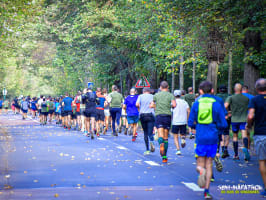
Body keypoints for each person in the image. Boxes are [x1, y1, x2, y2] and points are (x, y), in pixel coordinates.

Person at [188, 81, 227, 199]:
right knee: (209, 164)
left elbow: (190, 122)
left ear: (200, 91)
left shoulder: (196, 103)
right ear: (211, 90)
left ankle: (201, 170)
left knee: (200, 163)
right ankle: (207, 191)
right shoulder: (217, 103)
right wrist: (217, 128)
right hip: (213, 137)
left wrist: (196, 126)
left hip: (200, 137)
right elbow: (224, 124)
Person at [246, 78, 266, 198]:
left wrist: (249, 125)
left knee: (262, 161)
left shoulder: (254, 100)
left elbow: (250, 115)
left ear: (257, 88)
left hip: (261, 134)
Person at [150, 81, 176, 163]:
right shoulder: (170, 95)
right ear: (167, 87)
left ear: (160, 87)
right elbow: (174, 105)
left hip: (159, 116)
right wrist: (169, 106)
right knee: (166, 137)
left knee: (160, 135)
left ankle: (161, 144)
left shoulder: (156, 95)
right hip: (167, 116)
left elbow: (151, 105)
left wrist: (155, 106)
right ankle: (164, 157)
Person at [225, 83, 250, 161]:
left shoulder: (231, 98)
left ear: (234, 89)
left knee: (235, 136)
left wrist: (228, 113)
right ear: (241, 89)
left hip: (234, 119)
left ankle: (236, 155)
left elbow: (225, 106)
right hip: (243, 119)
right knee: (244, 135)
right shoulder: (246, 99)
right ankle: (246, 149)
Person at [171, 90, 190, 155]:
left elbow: (171, 111)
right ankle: (182, 139)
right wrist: (187, 119)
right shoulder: (184, 102)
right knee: (182, 133)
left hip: (175, 121)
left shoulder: (173, 102)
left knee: (175, 136)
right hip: (183, 121)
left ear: (174, 95)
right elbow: (188, 111)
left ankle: (178, 150)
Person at [216, 85, 230, 158]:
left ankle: (220, 149)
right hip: (227, 116)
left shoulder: (216, 97)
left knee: (220, 133)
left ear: (219, 90)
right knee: (226, 133)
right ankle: (225, 148)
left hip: (218, 117)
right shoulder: (229, 96)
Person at [242, 85, 254, 149]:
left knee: (243, 132)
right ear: (247, 90)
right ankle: (248, 147)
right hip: (249, 116)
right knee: (248, 132)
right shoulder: (252, 97)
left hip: (241, 117)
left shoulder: (239, 97)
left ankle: (244, 146)